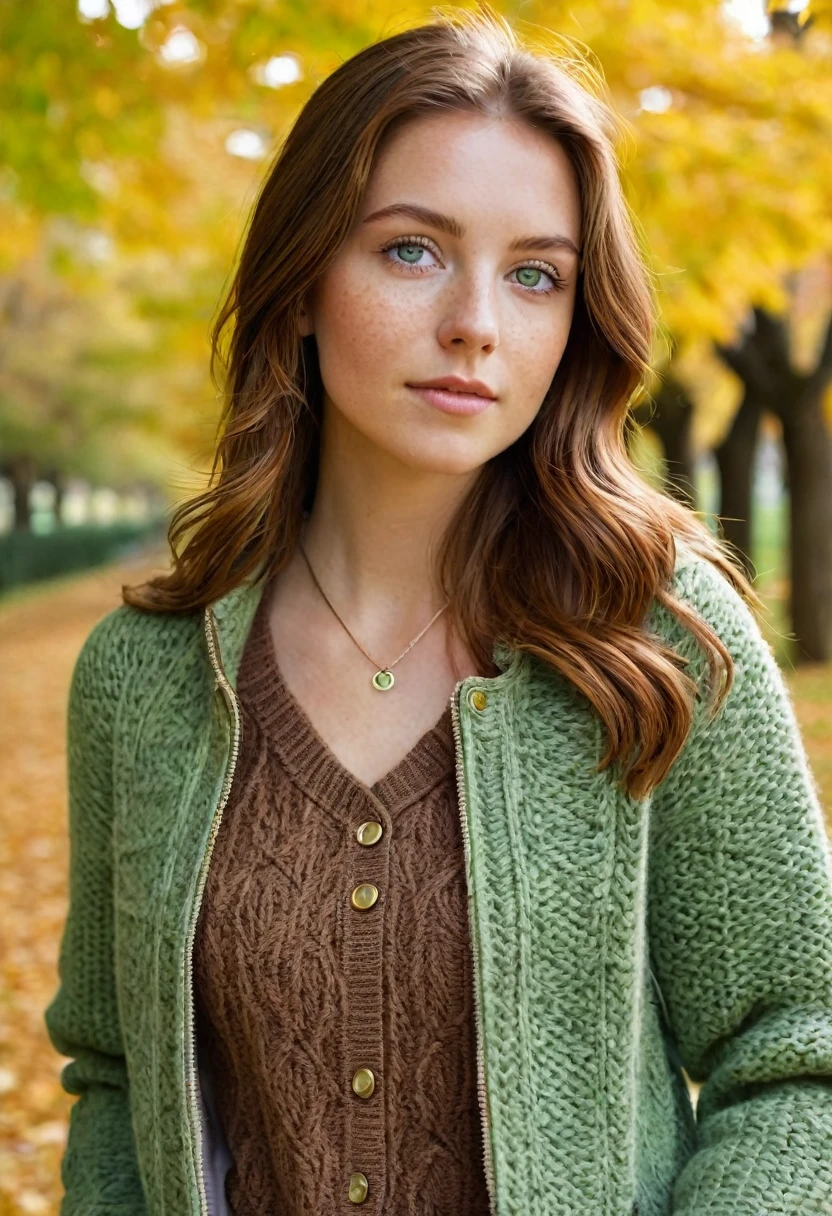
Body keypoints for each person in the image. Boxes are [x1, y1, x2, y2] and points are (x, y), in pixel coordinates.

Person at [44, 7, 832, 1216]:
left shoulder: (662, 637)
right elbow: (112, 1075)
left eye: (534, 274)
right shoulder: (141, 677)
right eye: (412, 250)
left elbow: (799, 1063)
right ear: (302, 282)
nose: (477, 320)